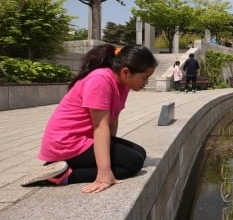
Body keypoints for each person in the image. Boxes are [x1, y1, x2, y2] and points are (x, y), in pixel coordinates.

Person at [20, 44, 158, 193]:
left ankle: (63, 165)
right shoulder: (100, 79)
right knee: (133, 163)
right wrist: (104, 173)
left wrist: (111, 154)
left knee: (140, 153)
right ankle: (61, 175)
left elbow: (113, 120)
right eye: (144, 77)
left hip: (82, 140)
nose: (146, 83)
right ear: (125, 72)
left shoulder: (122, 85)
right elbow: (100, 126)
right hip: (66, 142)